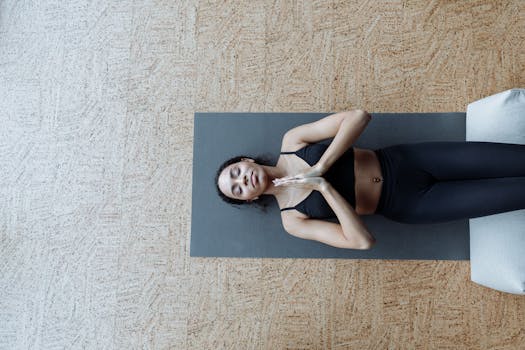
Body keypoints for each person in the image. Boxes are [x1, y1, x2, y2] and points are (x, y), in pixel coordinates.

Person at [216, 110, 525, 250]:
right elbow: (362, 241)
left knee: (515, 158)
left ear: (246, 161)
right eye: (238, 189)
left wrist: (321, 165)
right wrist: (322, 186)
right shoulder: (292, 220)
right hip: (411, 204)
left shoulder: (293, 140)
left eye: (236, 173)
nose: (243, 179)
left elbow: (358, 116)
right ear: (251, 199)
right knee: (515, 194)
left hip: (405, 160)